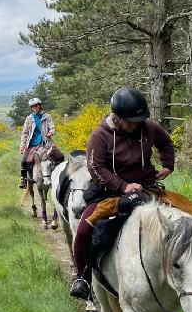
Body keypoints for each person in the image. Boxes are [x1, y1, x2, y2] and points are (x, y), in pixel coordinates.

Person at [69, 87, 175, 299]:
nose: (136, 125)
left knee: (185, 214)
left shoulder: (149, 128)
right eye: (131, 121)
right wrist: (123, 186)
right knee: (83, 231)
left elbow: (165, 143)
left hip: (146, 187)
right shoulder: (100, 136)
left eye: (140, 120)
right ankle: (82, 277)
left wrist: (168, 164)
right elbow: (96, 168)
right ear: (117, 118)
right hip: (108, 193)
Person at [18, 97, 55, 189]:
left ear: (40, 105)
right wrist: (22, 146)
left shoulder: (47, 116)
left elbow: (52, 128)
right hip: (32, 145)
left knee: (60, 156)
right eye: (33, 106)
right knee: (24, 161)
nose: (35, 107)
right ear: (31, 108)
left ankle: (58, 177)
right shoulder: (29, 119)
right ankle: (24, 179)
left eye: (37, 105)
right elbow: (25, 133)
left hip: (45, 144)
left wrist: (51, 133)